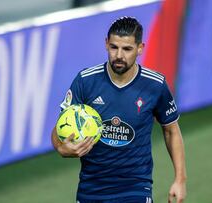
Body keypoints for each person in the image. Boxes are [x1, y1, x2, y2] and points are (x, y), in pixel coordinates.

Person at [51, 16, 187, 203]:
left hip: (136, 188)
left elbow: (171, 131)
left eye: (127, 49)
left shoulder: (155, 85)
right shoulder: (86, 81)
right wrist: (61, 148)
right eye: (114, 47)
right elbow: (59, 128)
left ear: (140, 48)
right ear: (106, 44)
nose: (119, 55)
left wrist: (180, 179)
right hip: (91, 189)